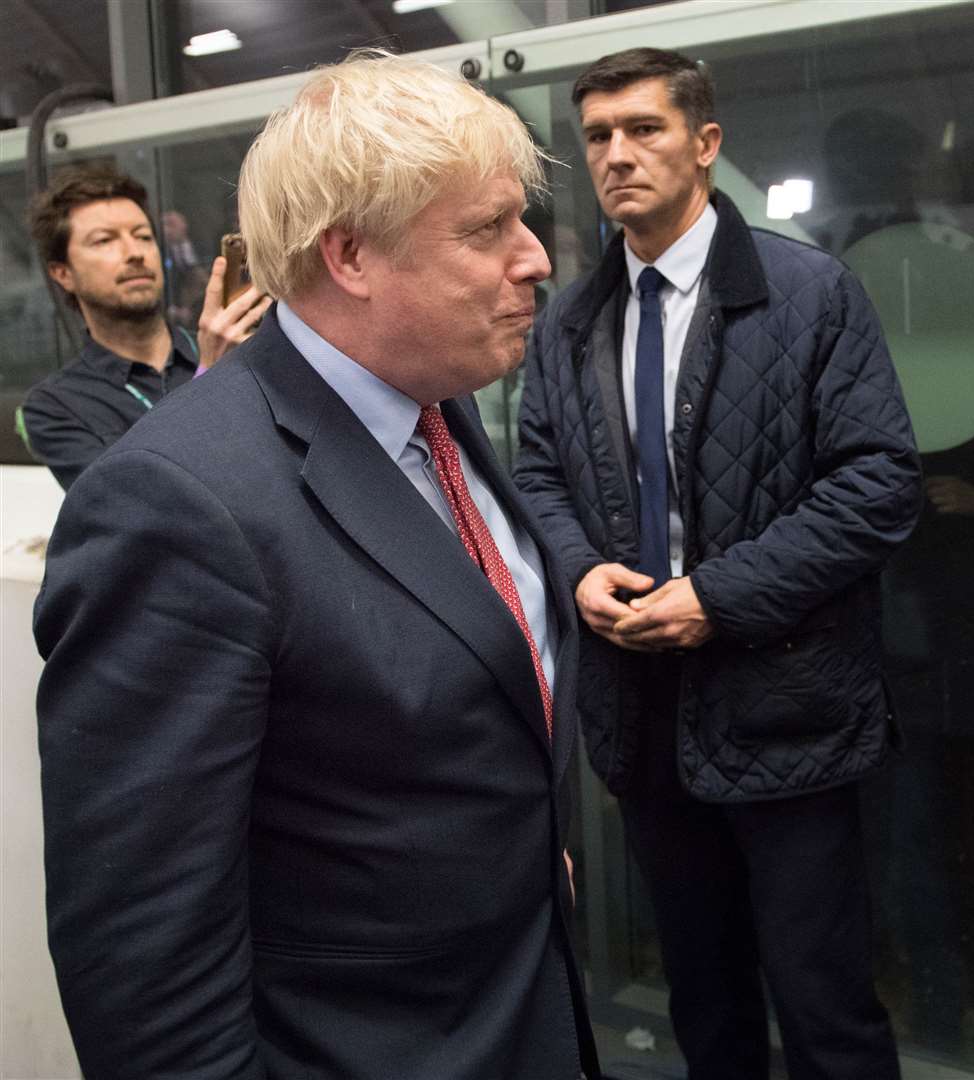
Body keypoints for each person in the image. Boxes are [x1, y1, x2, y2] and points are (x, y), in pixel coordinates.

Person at [34, 52, 597, 1079]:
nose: (535, 259)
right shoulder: (177, 505)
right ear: (350, 256)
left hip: (517, 1014)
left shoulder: (438, 400)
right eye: (486, 231)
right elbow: (144, 962)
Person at [514, 47, 919, 1080]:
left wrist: (719, 597)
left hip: (783, 704)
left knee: (824, 1007)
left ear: (705, 145)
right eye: (598, 135)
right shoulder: (569, 319)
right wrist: (575, 572)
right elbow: (537, 476)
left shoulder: (807, 292)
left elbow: (877, 486)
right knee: (705, 1001)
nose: (617, 155)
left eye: (644, 129)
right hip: (642, 713)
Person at [21, 164, 270, 489]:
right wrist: (210, 375)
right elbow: (130, 505)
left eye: (143, 236)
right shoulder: (56, 406)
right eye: (104, 241)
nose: (135, 253)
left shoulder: (231, 349)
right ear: (62, 273)